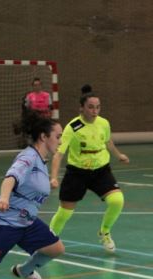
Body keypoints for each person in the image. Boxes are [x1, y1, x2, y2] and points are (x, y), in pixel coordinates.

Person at [0, 112, 65, 279]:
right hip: (7, 222)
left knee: (55, 248)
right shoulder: (28, 157)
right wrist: (3, 198)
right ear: (44, 136)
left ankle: (24, 270)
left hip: (26, 222)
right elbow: (11, 177)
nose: (61, 141)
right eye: (58, 136)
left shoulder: (40, 160)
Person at [49, 85, 129, 252]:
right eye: (91, 107)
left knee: (117, 201)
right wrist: (54, 177)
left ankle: (104, 232)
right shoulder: (73, 127)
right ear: (82, 108)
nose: (95, 111)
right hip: (77, 173)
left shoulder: (104, 123)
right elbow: (59, 153)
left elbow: (108, 142)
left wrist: (118, 155)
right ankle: (49, 239)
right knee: (65, 212)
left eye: (98, 107)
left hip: (101, 171)